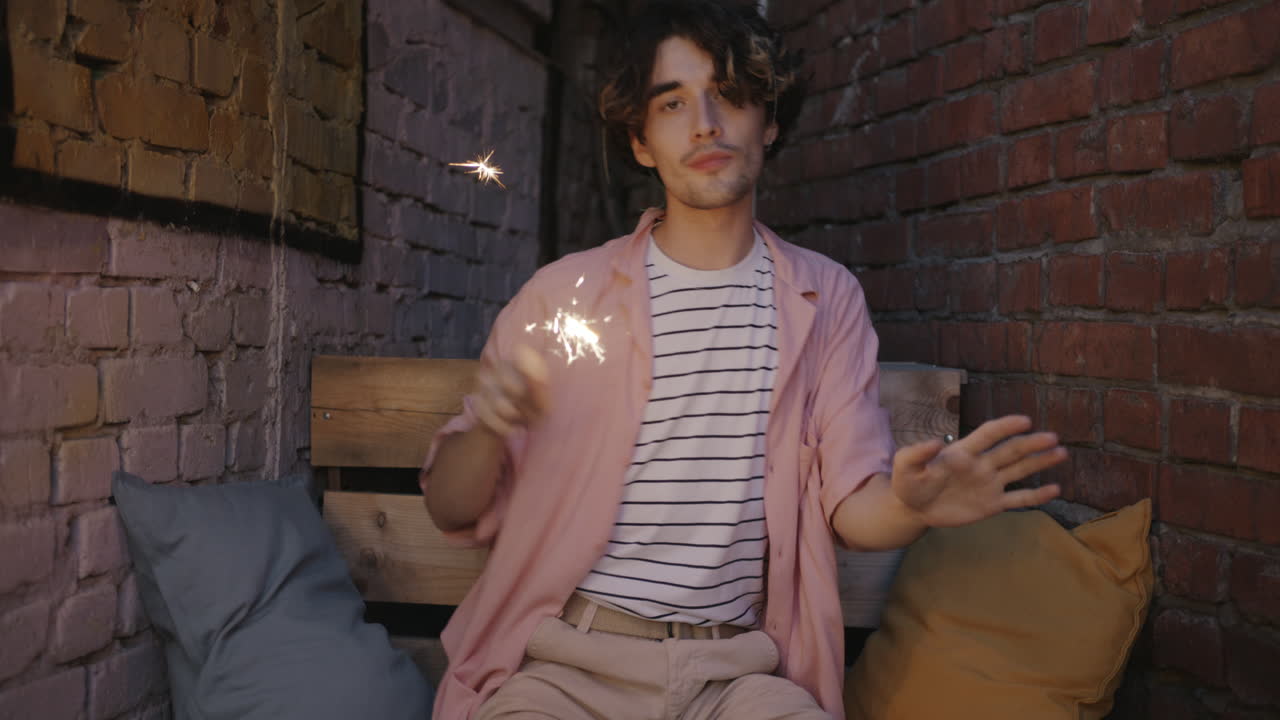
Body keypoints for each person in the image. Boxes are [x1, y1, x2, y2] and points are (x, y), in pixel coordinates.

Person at [420, 2, 1068, 718]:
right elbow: (451, 505)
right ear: (641, 142)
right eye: (672, 103)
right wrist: (487, 430)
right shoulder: (562, 296)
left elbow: (855, 507)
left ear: (769, 122)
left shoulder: (826, 300)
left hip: (732, 675)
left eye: (728, 95)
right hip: (568, 668)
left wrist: (912, 507)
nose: (704, 123)